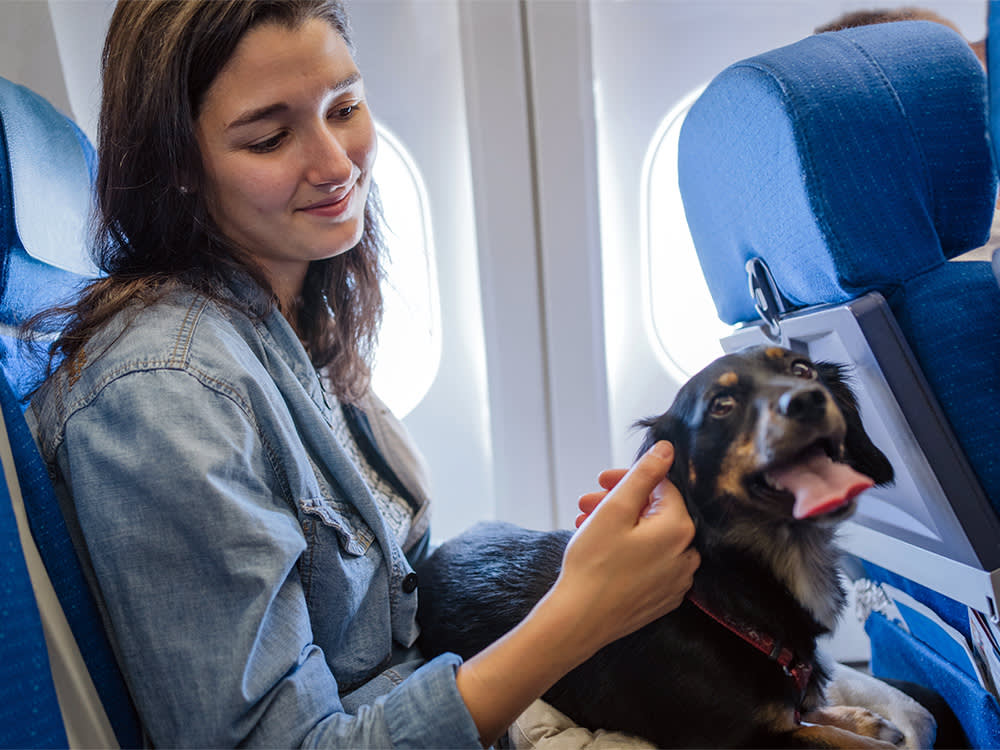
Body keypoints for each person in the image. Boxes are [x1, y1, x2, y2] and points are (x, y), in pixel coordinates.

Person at [25, 1, 700, 747]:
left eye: (344, 107)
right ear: (179, 165)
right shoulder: (166, 393)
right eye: (272, 137)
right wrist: (580, 616)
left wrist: (583, 566)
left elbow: (403, 613)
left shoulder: (293, 312)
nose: (336, 163)